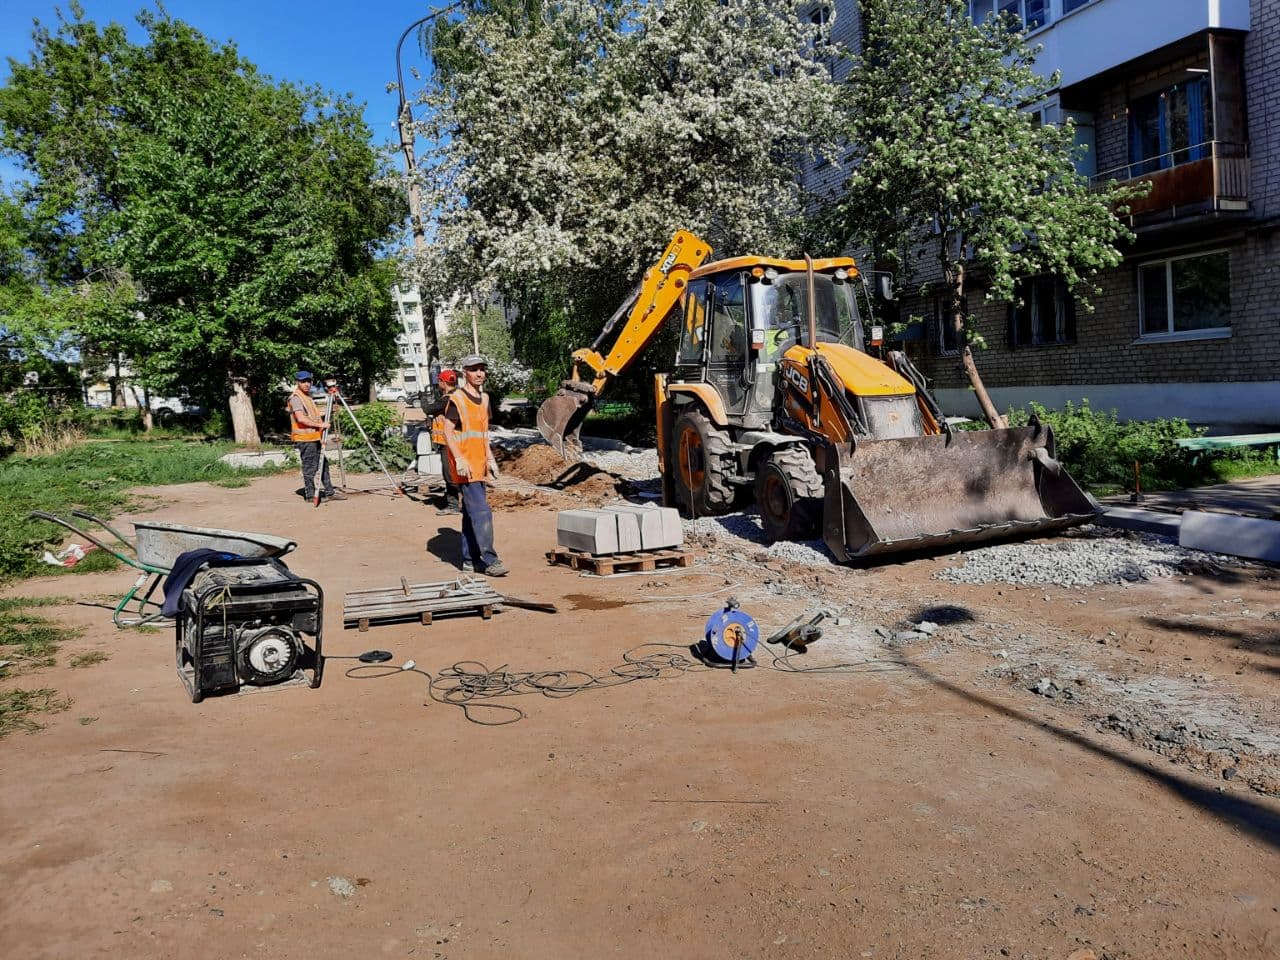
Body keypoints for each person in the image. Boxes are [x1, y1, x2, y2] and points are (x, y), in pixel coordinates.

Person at [440, 355, 507, 577]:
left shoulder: (484, 399)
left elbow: (483, 433)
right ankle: (490, 559)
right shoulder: (457, 399)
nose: (479, 374)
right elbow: (447, 431)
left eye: (482, 369)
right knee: (482, 513)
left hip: (479, 463)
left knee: (471, 513)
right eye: (474, 370)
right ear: (465, 373)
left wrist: (490, 458)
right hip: (464, 465)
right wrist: (458, 458)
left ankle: (470, 560)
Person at [286, 371, 345, 505]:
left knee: (323, 465)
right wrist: (320, 425)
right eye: (303, 381)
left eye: (308, 381)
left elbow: (313, 416)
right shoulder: (296, 398)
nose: (306, 384)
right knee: (310, 467)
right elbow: (301, 418)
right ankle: (310, 495)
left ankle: (330, 492)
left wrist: (328, 413)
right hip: (305, 439)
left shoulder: (307, 397)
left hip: (315, 437)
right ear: (297, 382)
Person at [423, 368, 461, 515]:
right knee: (451, 473)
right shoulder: (455, 396)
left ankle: (454, 505)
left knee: (450, 474)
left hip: (449, 442)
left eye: (439, 381)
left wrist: (423, 398)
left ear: (443, 382)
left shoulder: (448, 399)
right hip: (450, 441)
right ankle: (453, 500)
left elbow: (428, 409)